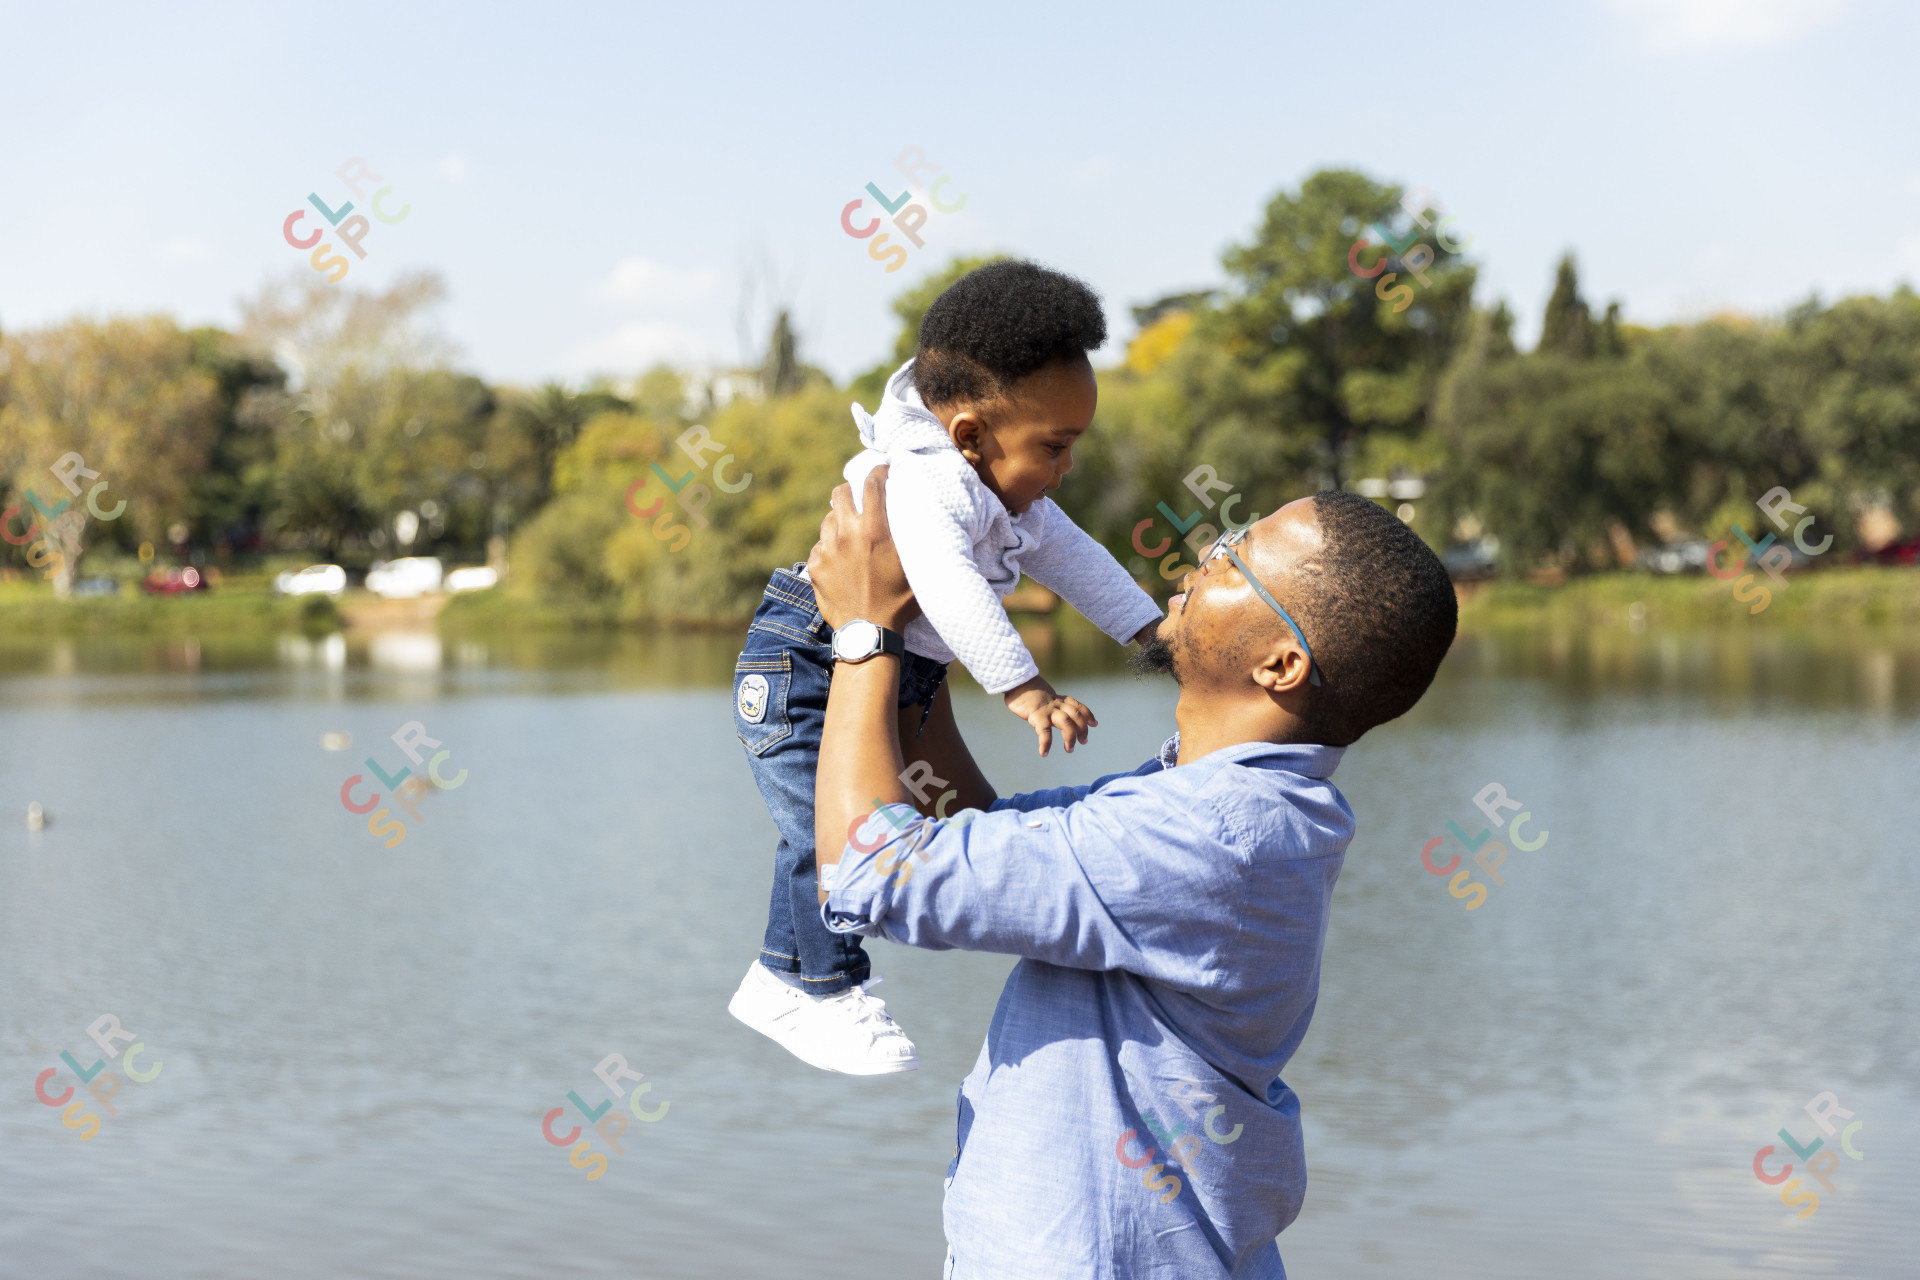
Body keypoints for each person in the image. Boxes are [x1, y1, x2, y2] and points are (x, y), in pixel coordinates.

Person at [806, 469, 1458, 1279]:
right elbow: (967, 827)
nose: (1204, 555)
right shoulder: (1210, 803)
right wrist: (925, 630)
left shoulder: (1212, 834)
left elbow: (868, 870)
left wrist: (864, 637)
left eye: (1234, 558)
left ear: (1281, 664)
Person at [727, 261, 1161, 1074]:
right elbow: (949, 589)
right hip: (808, 669)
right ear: (969, 434)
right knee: (824, 834)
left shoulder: (1002, 493)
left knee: (955, 830)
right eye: (1056, 447)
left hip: (898, 679)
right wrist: (1026, 689)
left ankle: (789, 975)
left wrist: (1153, 632)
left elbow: (1078, 560)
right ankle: (813, 983)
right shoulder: (930, 483)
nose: (1066, 468)